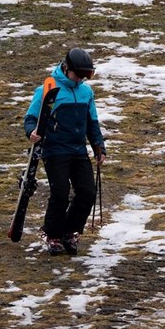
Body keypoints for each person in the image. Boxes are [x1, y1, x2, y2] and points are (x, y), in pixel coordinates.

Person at [24, 47, 107, 256]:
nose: (80, 79)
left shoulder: (86, 92)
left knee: (87, 192)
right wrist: (31, 133)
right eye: (78, 74)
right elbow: (31, 118)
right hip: (54, 150)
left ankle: (69, 231)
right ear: (67, 68)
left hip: (78, 150)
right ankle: (52, 234)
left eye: (85, 75)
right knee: (60, 193)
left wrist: (99, 147)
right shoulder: (49, 88)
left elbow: (92, 122)